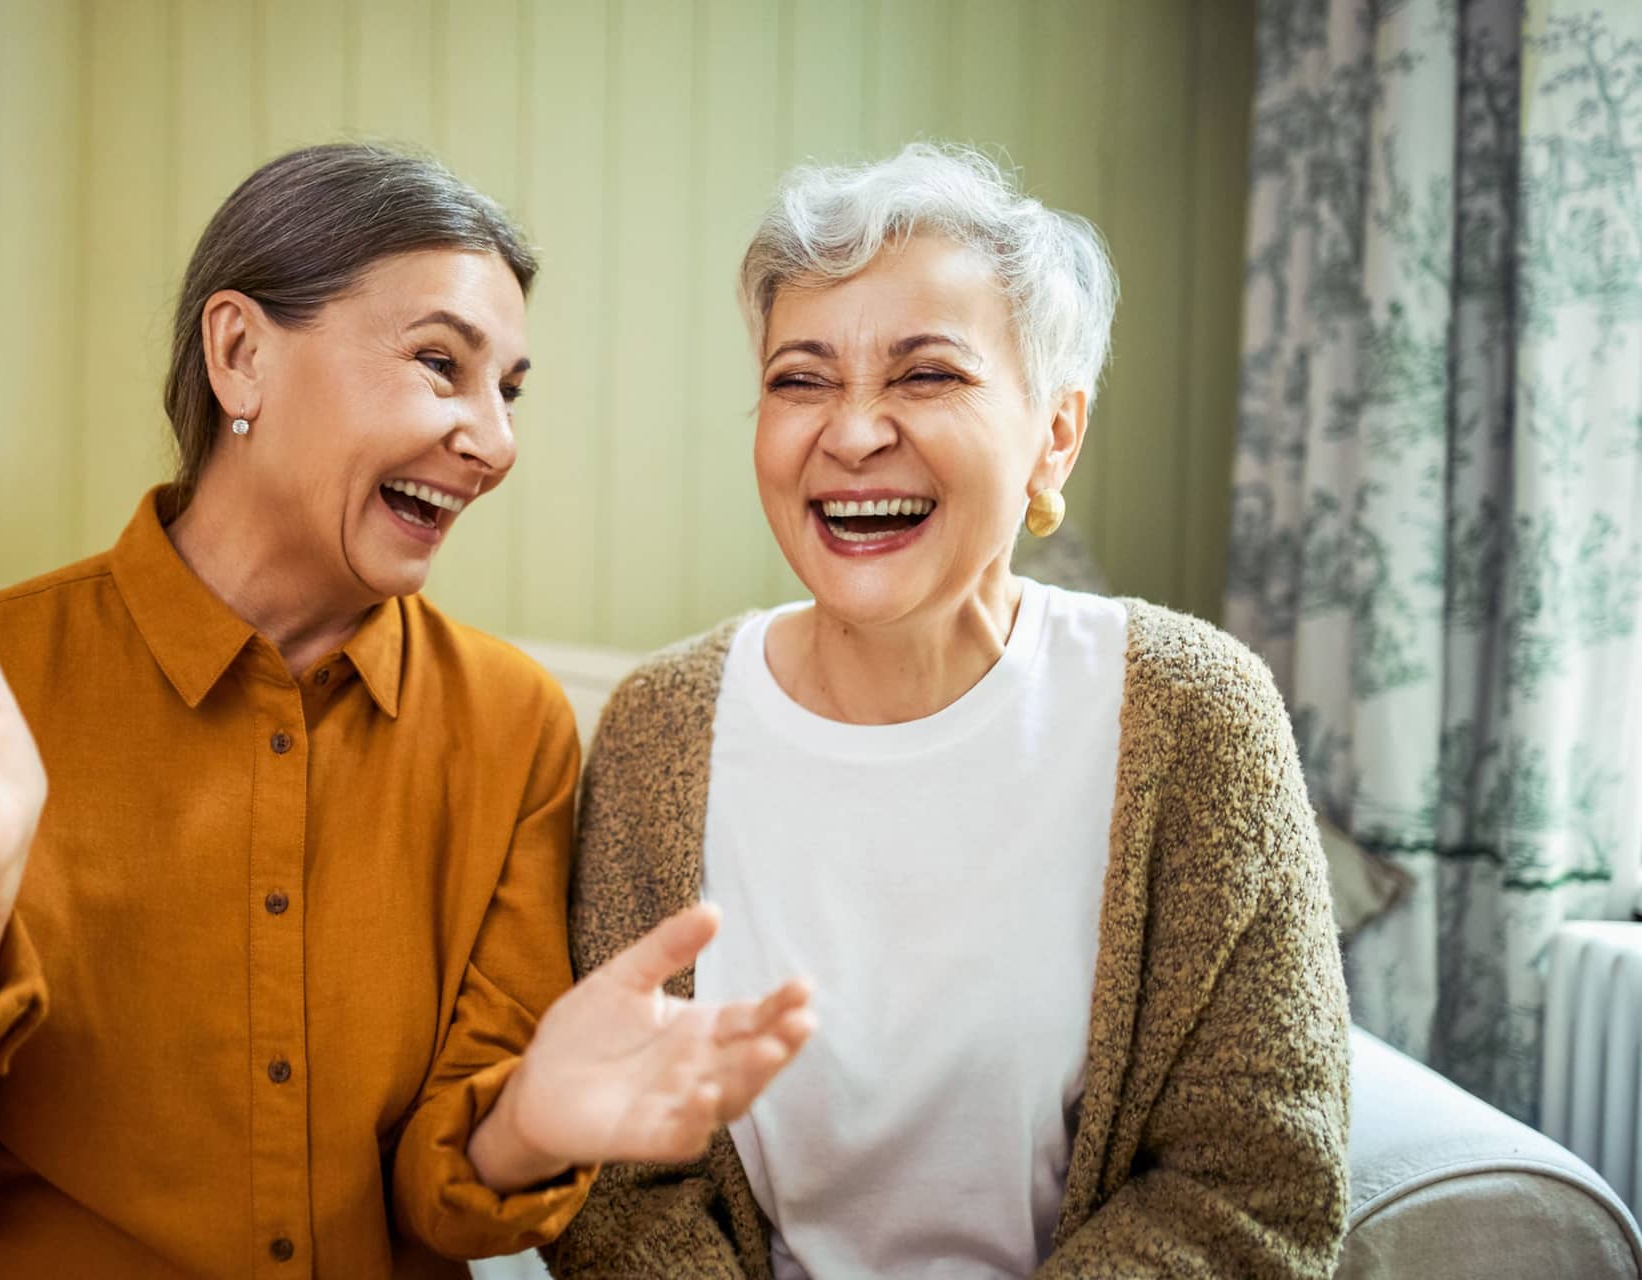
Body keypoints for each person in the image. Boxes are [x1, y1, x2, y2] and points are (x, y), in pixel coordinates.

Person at [0, 143, 813, 1279]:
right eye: (439, 362)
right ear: (240, 355)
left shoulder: (512, 725)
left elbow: (450, 1207)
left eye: (509, 390)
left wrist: (531, 1120)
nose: (493, 441)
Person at [548, 142, 1350, 1280]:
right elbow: (620, 1189)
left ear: (1053, 433)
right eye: (799, 378)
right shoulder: (657, 727)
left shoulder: (1192, 713)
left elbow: (1254, 1181)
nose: (853, 431)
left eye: (925, 374)